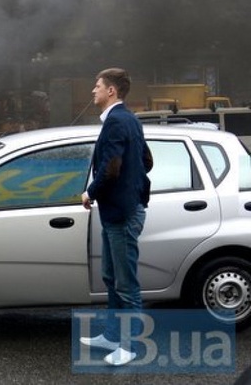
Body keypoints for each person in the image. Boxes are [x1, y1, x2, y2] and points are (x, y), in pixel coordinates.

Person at [80, 68, 153, 366]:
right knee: (111, 278)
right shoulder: (129, 119)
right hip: (120, 211)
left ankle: (130, 345)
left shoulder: (116, 122)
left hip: (122, 214)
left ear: (111, 91)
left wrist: (90, 193)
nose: (92, 91)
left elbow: (110, 168)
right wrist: (130, 184)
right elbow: (147, 160)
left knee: (126, 284)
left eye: (97, 86)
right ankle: (111, 335)